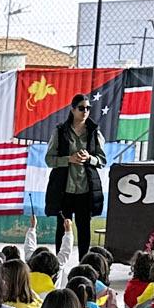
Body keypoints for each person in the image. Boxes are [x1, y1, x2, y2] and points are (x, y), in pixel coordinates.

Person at [43, 93, 105, 260]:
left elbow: (102, 160)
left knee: (84, 228)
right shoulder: (61, 131)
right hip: (65, 189)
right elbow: (49, 159)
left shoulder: (93, 132)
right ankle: (59, 262)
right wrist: (68, 159)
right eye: (81, 108)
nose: (85, 111)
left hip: (85, 190)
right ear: (73, 110)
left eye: (88, 108)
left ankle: (83, 264)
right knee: (62, 228)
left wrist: (89, 158)